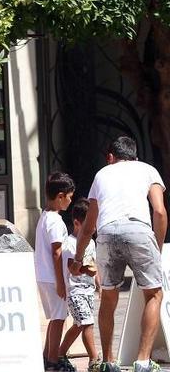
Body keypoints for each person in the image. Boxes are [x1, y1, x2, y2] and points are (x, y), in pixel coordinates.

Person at [72, 136, 167, 372]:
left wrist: (77, 258)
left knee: (108, 296)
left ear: (111, 157)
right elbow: (160, 211)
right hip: (139, 230)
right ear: (135, 156)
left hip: (107, 233)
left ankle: (109, 362)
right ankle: (143, 362)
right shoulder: (148, 170)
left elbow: (89, 226)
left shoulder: (102, 174)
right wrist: (157, 246)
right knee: (154, 295)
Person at [35, 171, 75, 372]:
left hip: (44, 277)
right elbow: (56, 251)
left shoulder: (44, 216)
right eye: (69, 197)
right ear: (60, 196)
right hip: (53, 278)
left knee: (55, 318)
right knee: (59, 320)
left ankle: (46, 356)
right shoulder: (55, 221)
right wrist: (61, 282)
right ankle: (52, 361)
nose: (70, 201)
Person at [58, 199, 100, 371]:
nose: (94, 228)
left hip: (88, 290)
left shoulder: (91, 242)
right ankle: (94, 360)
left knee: (79, 324)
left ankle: (60, 354)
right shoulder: (69, 243)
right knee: (86, 323)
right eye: (89, 224)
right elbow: (72, 269)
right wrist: (86, 271)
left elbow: (94, 264)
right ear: (76, 223)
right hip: (74, 290)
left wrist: (99, 282)